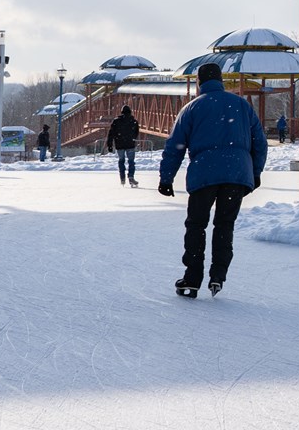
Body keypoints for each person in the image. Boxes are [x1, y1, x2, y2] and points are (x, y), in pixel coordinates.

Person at [158, 62, 267, 298]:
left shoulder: (192, 108)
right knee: (224, 225)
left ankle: (192, 278)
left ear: (199, 82)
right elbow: (260, 142)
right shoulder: (241, 105)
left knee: (197, 225)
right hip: (236, 175)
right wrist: (255, 172)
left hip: (204, 175)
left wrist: (166, 178)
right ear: (221, 80)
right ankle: (218, 276)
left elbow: (175, 145)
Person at [106, 105, 141, 187]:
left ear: (121, 112)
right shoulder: (133, 121)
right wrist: (132, 138)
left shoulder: (116, 121)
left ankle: (122, 178)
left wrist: (110, 145)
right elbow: (136, 133)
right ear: (130, 112)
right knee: (131, 161)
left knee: (121, 161)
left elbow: (111, 134)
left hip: (119, 144)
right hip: (130, 144)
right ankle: (131, 176)